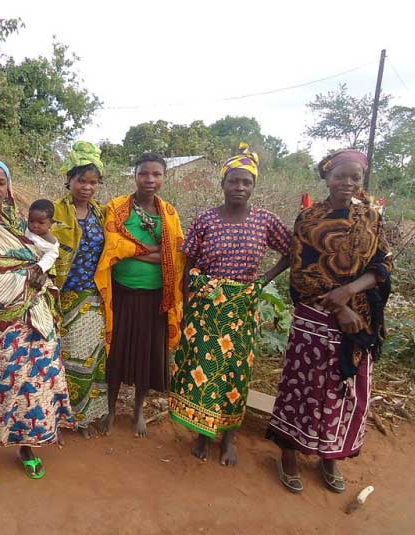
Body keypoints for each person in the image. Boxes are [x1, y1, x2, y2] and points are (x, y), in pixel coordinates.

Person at [266, 149, 393, 494]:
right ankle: (289, 452)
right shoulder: (309, 219)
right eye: (340, 176)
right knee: (304, 385)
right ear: (326, 177)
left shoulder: (371, 217)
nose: (347, 183)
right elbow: (302, 273)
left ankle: (329, 453)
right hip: (315, 318)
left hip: (359, 319)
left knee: (342, 390)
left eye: (355, 177)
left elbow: (382, 265)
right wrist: (338, 307)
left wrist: (349, 292)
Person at [168, 144, 291, 465]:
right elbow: (188, 259)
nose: (239, 187)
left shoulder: (265, 220)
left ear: (253, 186)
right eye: (233, 181)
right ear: (222, 184)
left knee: (236, 372)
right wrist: (184, 304)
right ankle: (203, 435)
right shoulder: (206, 219)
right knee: (204, 370)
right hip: (206, 307)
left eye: (246, 182)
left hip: (241, 307)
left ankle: (228, 439)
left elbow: (291, 251)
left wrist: (264, 279)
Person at [0, 159, 74, 487]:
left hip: (37, 320)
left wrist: (36, 272)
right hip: (1, 322)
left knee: (34, 388)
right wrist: (27, 276)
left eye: (0, 182)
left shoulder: (23, 224)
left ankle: (26, 445)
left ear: (8, 186)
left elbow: (51, 259)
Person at [94, 152, 186, 437]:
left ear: (164, 178)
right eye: (144, 173)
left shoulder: (169, 214)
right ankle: (109, 410)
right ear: (134, 176)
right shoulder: (118, 208)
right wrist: (151, 254)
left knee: (146, 356)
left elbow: (176, 254)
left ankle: (138, 411)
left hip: (155, 298)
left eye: (156, 174)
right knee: (116, 355)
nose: (150, 180)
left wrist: (144, 253)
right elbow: (113, 248)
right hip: (122, 294)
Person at [52, 142, 108, 437]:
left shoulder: (101, 214)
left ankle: (83, 418)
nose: (87, 187)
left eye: (93, 182)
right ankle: (58, 419)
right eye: (81, 180)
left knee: (89, 361)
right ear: (69, 180)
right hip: (61, 296)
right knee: (60, 359)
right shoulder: (55, 211)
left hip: (93, 298)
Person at [25, 199, 60, 273]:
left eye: (41, 223)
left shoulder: (51, 243)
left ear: (51, 223)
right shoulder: (24, 227)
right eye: (31, 221)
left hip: (33, 267)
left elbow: (51, 256)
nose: (35, 225)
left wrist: (41, 265)